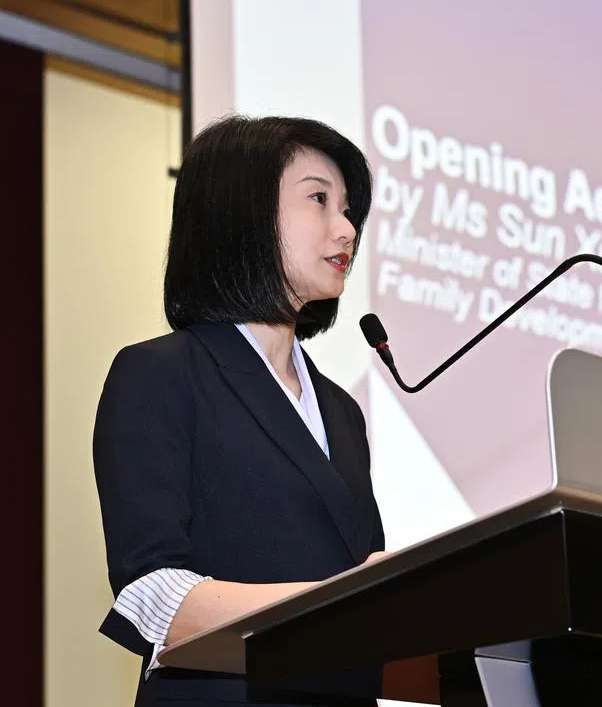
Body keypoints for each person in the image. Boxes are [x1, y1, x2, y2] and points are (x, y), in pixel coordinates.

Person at [92, 115, 386, 706]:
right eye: (319, 200)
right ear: (242, 215)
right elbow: (153, 592)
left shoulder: (342, 412)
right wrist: (336, 606)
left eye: (349, 209)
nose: (346, 228)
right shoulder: (162, 374)